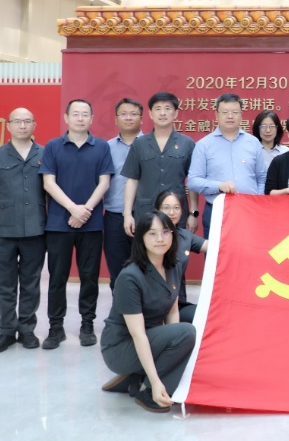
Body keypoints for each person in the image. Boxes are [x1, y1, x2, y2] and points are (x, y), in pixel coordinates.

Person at [99, 211, 196, 414]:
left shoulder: (173, 266)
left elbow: (172, 312)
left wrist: (176, 347)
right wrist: (155, 380)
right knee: (186, 332)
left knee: (184, 333)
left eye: (165, 232)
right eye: (152, 233)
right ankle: (148, 390)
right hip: (120, 347)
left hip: (149, 338)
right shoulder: (130, 277)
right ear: (141, 238)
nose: (160, 238)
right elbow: (138, 334)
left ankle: (137, 378)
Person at [39, 99, 114, 350]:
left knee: (89, 277)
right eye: (76, 114)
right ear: (66, 117)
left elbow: (104, 183)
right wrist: (73, 209)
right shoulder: (53, 146)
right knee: (57, 277)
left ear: (91, 119)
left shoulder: (101, 147)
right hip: (58, 224)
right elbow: (48, 183)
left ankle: (87, 325)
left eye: (85, 114)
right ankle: (55, 327)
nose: (80, 118)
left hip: (91, 224)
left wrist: (85, 211)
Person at [0, 107, 47, 353]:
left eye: (27, 121)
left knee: (31, 283)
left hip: (36, 230)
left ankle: (26, 330)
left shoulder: (45, 154)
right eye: (17, 121)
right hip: (3, 231)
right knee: (4, 283)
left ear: (34, 124)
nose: (22, 126)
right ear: (8, 126)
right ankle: (6, 331)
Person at [121, 92, 198, 246]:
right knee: (145, 255)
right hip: (145, 212)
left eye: (167, 109)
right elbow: (132, 180)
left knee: (175, 255)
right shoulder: (139, 144)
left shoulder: (187, 143)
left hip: (175, 214)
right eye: (158, 109)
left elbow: (193, 181)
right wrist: (127, 214)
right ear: (150, 114)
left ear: (175, 113)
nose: (162, 113)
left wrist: (193, 213)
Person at [187, 93, 268, 239]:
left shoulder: (253, 142)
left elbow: (262, 177)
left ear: (241, 114)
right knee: (218, 253)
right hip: (218, 212)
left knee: (249, 251)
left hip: (249, 210)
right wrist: (218, 186)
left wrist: (259, 201)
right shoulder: (204, 145)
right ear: (217, 115)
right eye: (225, 112)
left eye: (235, 112)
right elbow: (193, 181)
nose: (230, 116)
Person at [103, 98, 143, 291]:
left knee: (146, 269)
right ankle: (119, 309)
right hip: (114, 216)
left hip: (145, 215)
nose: (128, 118)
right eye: (124, 114)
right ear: (115, 119)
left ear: (142, 118)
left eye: (133, 114)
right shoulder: (106, 148)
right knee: (117, 269)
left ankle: (145, 310)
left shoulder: (150, 145)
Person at [154, 190, 208, 323]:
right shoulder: (149, 235)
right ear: (157, 210)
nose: (172, 212)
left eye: (176, 208)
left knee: (207, 317)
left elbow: (215, 247)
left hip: (177, 303)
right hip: (151, 304)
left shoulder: (185, 236)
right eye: (166, 208)